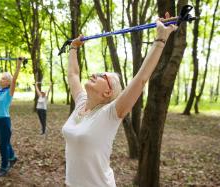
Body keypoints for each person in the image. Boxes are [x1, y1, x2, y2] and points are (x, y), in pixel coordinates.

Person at [62, 14, 177, 187]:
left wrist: (161, 38)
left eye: (102, 76)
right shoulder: (81, 102)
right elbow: (73, 75)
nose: (94, 74)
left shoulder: (110, 113)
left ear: (108, 92)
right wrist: (73, 48)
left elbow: (141, 80)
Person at [0, 57, 24, 177]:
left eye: (4, 78)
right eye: (2, 78)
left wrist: (18, 64)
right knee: (4, 142)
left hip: (4, 121)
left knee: (2, 145)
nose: (1, 79)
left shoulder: (9, 92)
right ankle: (12, 157)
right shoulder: (0, 90)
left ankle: (4, 167)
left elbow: (15, 79)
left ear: (9, 82)